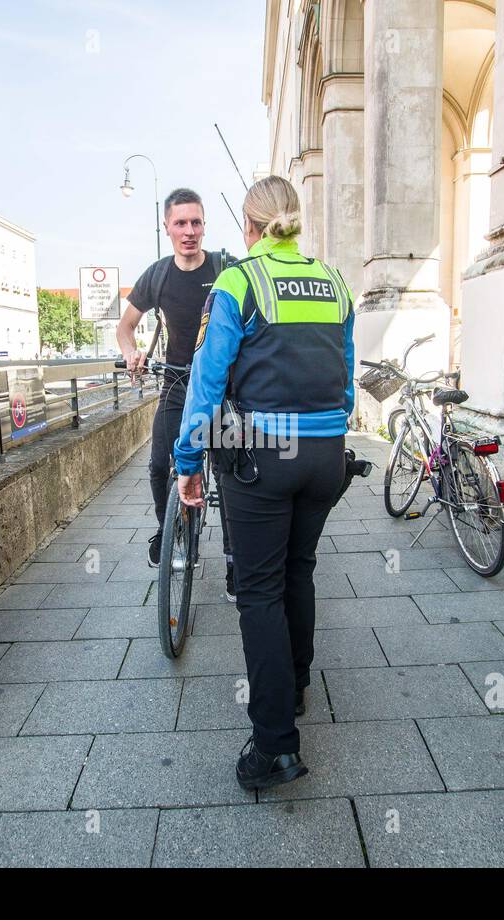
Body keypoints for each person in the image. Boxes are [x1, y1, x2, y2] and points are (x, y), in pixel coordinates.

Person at [173, 175, 355, 789]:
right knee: (298, 570)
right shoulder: (334, 283)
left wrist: (188, 463)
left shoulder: (237, 282)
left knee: (258, 590)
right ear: (295, 222)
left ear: (248, 228)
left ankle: (274, 744)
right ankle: (296, 687)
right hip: (327, 453)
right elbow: (347, 378)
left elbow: (206, 382)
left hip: (262, 455)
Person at [117, 189, 237, 594]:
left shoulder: (226, 268)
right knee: (157, 465)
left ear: (205, 225)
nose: (189, 231)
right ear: (166, 227)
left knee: (228, 473)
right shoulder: (158, 274)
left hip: (222, 389)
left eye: (196, 222)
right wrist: (132, 353)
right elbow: (125, 327)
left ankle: (235, 559)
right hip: (176, 383)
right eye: (181, 223)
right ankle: (168, 530)